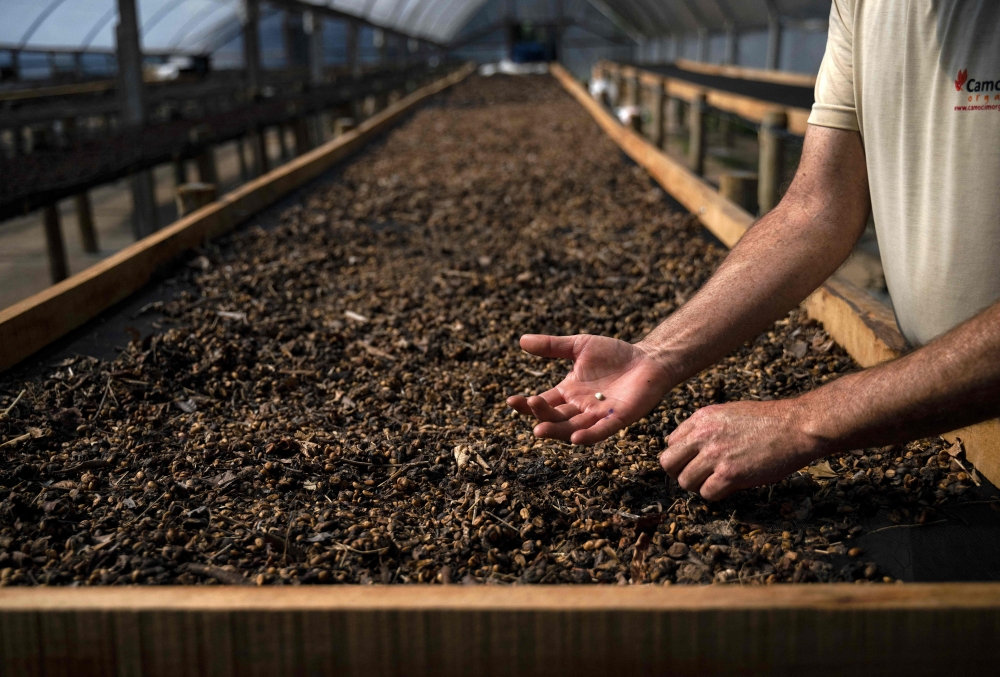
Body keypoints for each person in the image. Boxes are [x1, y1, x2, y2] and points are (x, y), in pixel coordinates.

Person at [508, 1, 1000, 501]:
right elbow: (816, 209)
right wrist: (656, 356)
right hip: (940, 413)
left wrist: (803, 421)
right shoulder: (865, 6)